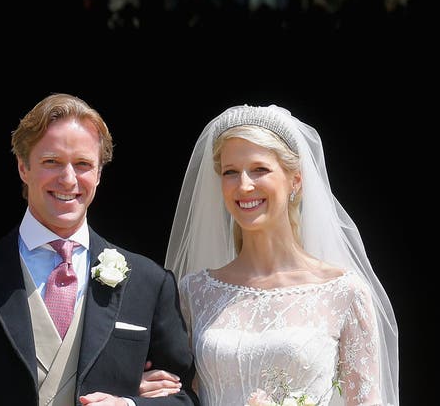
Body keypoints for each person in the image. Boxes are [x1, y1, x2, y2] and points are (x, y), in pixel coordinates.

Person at [0, 93, 199, 406]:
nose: (68, 179)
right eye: (52, 162)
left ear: (99, 173)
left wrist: (130, 404)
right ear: (23, 167)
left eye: (84, 164)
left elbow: (184, 397)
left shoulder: (149, 283)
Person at [142, 104, 399, 406]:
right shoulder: (193, 292)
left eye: (260, 169)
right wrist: (146, 389)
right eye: (230, 173)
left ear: (296, 181)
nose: (244, 185)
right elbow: (180, 394)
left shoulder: (344, 292)